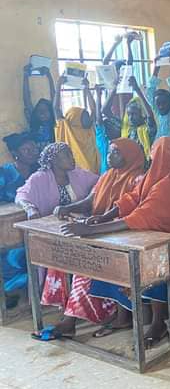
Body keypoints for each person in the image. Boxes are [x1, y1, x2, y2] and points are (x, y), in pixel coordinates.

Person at [59, 137, 170, 346]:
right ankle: (124, 315)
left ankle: (158, 323)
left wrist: (91, 230)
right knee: (112, 258)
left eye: (154, 153)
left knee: (152, 262)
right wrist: (104, 217)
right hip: (146, 236)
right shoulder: (154, 176)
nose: (151, 157)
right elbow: (131, 199)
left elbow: (141, 215)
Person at [36, 139, 145, 339]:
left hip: (125, 234)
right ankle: (68, 312)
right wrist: (68, 208)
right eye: (109, 152)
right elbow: (90, 201)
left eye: (116, 152)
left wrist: (98, 223)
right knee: (62, 254)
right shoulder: (107, 176)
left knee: (86, 264)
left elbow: (130, 211)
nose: (109, 156)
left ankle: (70, 321)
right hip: (101, 230)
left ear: (129, 155)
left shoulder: (138, 179)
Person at [15, 143, 99, 334]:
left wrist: (90, 199)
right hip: (52, 235)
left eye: (71, 154)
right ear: (53, 160)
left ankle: (73, 310)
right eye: (66, 155)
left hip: (76, 231)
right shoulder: (39, 178)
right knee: (60, 262)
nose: (72, 158)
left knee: (85, 260)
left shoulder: (78, 174)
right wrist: (30, 208)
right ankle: (67, 308)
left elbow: (100, 182)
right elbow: (21, 195)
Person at [0, 133, 39, 303]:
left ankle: (35, 289)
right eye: (27, 150)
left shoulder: (39, 171)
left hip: (34, 222)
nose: (33, 152)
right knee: (12, 255)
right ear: (15, 153)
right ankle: (10, 290)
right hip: (8, 225)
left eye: (34, 148)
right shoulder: (4, 173)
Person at [53, 76, 100, 173]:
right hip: (77, 173)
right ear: (75, 119)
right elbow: (56, 109)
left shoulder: (89, 129)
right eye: (85, 116)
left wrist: (87, 89)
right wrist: (58, 86)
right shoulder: (67, 130)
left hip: (95, 171)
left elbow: (94, 110)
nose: (89, 118)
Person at [121, 76, 157, 160]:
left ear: (142, 114)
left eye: (134, 114)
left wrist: (137, 90)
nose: (130, 117)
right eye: (129, 114)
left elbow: (150, 116)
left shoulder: (147, 130)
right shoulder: (128, 132)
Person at [145, 54, 170, 140]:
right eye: (158, 104)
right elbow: (150, 93)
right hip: (157, 146)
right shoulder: (157, 112)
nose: (161, 106)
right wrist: (156, 67)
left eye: (164, 103)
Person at [23, 65, 56, 151]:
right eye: (39, 110)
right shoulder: (34, 123)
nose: (42, 113)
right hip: (37, 157)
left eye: (45, 110)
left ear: (51, 111)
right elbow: (27, 100)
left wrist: (49, 75)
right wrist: (25, 75)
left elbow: (54, 97)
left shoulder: (54, 122)